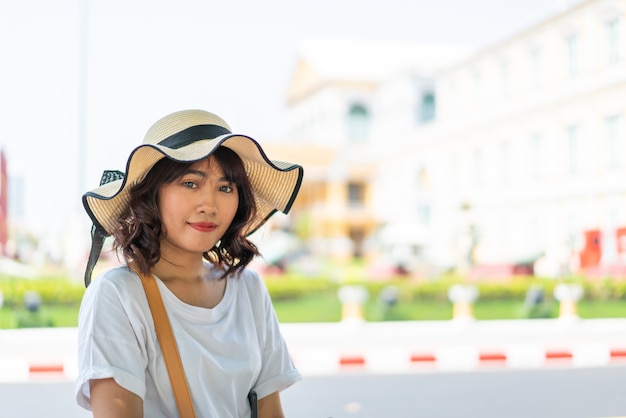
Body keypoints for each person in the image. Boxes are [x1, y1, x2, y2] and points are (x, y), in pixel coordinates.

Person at [75, 109, 304, 417]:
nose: (209, 205)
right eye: (190, 183)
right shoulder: (118, 295)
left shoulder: (249, 290)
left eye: (225, 188)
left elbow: (269, 409)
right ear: (152, 194)